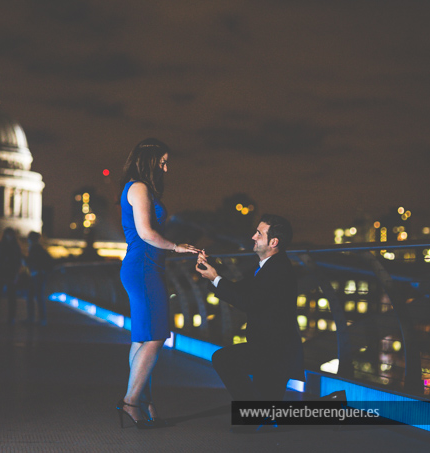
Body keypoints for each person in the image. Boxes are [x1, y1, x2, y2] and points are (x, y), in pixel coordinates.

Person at [116, 138, 199, 429]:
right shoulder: (138, 188)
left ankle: (144, 402)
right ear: (149, 161)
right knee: (156, 335)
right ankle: (130, 402)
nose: (167, 166)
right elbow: (147, 233)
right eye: (163, 161)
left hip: (146, 267)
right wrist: (178, 247)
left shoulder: (142, 188)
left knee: (142, 337)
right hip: (143, 267)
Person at [196, 214, 303, 406]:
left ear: (274, 242)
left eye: (259, 234)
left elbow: (247, 301)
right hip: (269, 348)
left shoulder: (277, 269)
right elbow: (240, 289)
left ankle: (256, 414)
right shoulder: (268, 266)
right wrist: (214, 272)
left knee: (223, 359)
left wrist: (215, 278)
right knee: (268, 404)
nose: (253, 237)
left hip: (275, 352)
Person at [24, 231, 54, 325]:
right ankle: (41, 319)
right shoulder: (40, 248)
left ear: (30, 239)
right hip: (40, 275)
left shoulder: (34, 248)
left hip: (36, 275)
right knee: (38, 297)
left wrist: (24, 259)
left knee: (33, 297)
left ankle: (34, 318)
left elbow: (31, 261)